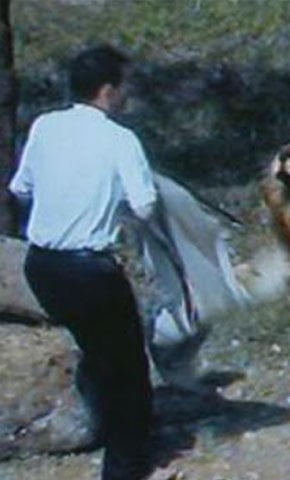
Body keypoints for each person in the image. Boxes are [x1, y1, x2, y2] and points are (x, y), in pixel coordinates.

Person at [8, 44, 160, 480]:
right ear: (108, 91)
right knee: (128, 367)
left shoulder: (44, 126)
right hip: (88, 271)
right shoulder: (120, 139)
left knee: (98, 346)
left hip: (41, 267)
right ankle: (124, 466)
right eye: (123, 87)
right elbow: (146, 205)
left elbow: (22, 189)